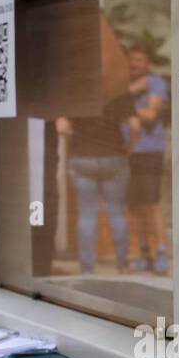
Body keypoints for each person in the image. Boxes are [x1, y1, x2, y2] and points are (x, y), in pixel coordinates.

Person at [56, 90, 140, 276]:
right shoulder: (119, 91)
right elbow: (135, 126)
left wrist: (77, 139)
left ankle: (87, 269)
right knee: (116, 212)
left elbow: (61, 127)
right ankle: (122, 264)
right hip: (114, 156)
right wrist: (129, 147)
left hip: (82, 158)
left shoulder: (79, 90)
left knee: (87, 215)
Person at [122, 43, 170, 275]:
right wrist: (127, 95)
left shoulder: (156, 84)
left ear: (147, 63)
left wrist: (124, 103)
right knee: (134, 206)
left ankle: (161, 251)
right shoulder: (125, 87)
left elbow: (150, 115)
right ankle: (143, 252)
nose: (134, 64)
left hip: (150, 151)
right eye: (131, 60)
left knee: (151, 205)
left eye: (138, 60)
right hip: (127, 153)